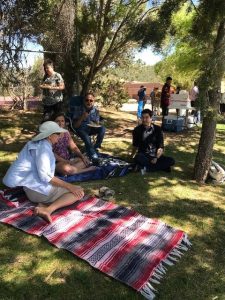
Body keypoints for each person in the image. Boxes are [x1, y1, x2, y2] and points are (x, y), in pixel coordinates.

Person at [3, 121, 84, 223]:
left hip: (30, 187)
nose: (59, 136)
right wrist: (70, 186)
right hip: (36, 190)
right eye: (58, 134)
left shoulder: (36, 143)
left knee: (72, 188)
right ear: (50, 136)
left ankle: (43, 205)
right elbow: (46, 177)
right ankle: (47, 210)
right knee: (79, 192)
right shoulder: (43, 149)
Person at [72, 93, 106, 160]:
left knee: (103, 128)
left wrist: (97, 123)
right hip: (81, 129)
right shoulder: (78, 109)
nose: (89, 102)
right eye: (87, 100)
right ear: (83, 101)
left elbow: (96, 123)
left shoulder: (95, 110)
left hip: (91, 129)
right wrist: (82, 117)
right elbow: (75, 126)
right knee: (87, 138)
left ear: (94, 101)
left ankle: (96, 147)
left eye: (91, 100)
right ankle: (93, 155)